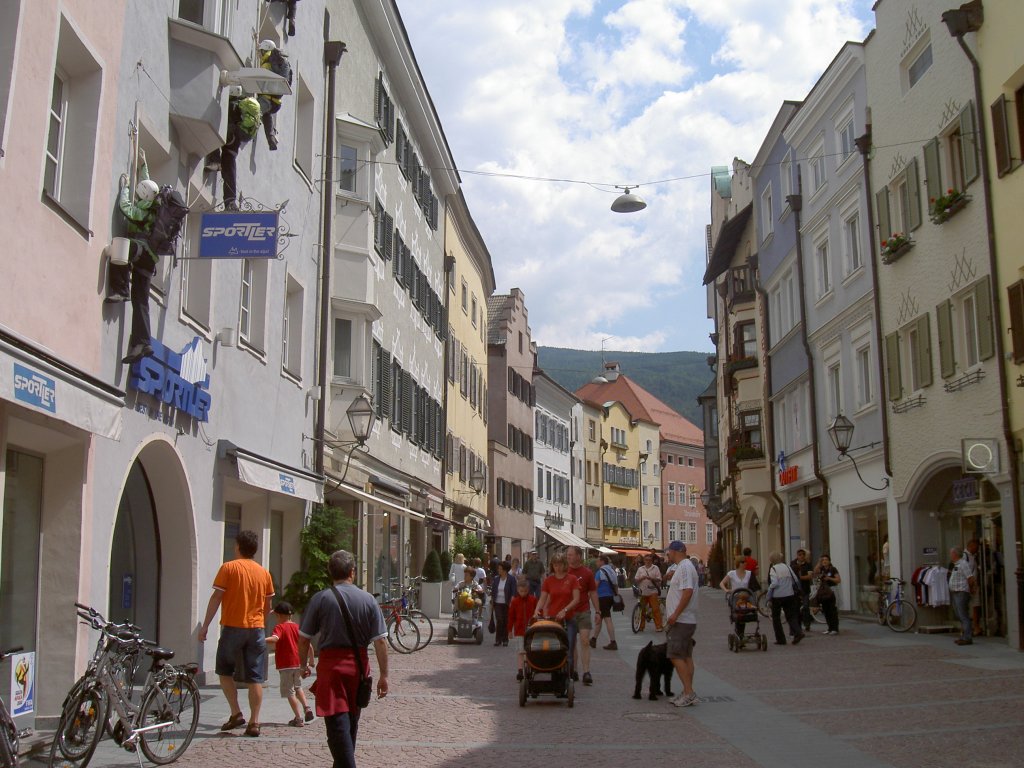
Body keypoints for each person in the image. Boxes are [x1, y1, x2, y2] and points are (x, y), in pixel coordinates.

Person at [298, 550, 388, 768]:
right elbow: (380, 642)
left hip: (331, 668)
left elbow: (304, 638)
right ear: (352, 572)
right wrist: (384, 675)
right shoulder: (368, 600)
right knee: (350, 723)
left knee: (337, 726)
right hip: (358, 667)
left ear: (331, 572)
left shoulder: (321, 599)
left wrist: (303, 664)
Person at [198, 530, 275, 737]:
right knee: (255, 678)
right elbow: (268, 604)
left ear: (238, 547)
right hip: (256, 629)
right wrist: (261, 622)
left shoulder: (229, 568)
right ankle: (254, 722)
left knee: (224, 672)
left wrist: (205, 625)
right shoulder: (263, 573)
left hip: (233, 627)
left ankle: (235, 712)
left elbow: (216, 598)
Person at [265, 601, 314, 727]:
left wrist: (260, 640)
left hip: (285, 664)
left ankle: (298, 718)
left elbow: (275, 639)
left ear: (279, 616)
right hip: (298, 663)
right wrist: (311, 661)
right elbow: (308, 645)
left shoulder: (279, 627)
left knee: (289, 691)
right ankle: (307, 707)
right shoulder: (297, 627)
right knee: (298, 687)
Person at [210, 95, 262, 210]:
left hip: (232, 133)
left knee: (215, 132)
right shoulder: (251, 112)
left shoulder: (232, 105)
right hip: (238, 138)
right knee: (230, 164)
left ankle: (215, 161)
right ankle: (230, 201)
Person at [663, 541, 699, 708]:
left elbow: (687, 591)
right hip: (686, 619)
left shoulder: (684, 567)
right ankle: (687, 691)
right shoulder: (684, 567)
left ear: (676, 551)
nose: (667, 555)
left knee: (676, 655)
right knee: (686, 656)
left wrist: (675, 614)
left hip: (681, 620)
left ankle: (689, 692)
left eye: (668, 551)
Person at [565, 545, 599, 685]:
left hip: (584, 610)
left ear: (579, 556)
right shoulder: (564, 571)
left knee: (585, 640)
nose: (568, 557)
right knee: (571, 643)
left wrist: (598, 611)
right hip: (569, 612)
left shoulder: (587, 573)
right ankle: (574, 670)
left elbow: (592, 592)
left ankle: (586, 671)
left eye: (571, 555)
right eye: (567, 555)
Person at [256, 40, 291, 150]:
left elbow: (261, 80)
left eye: (260, 51)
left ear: (264, 50)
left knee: (254, 112)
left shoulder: (267, 63)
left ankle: (249, 132)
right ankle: (271, 137)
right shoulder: (274, 60)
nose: (259, 54)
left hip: (266, 99)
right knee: (266, 115)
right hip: (275, 102)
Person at [766, 552, 804, 646]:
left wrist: (769, 593)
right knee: (791, 616)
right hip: (789, 594)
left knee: (776, 618)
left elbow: (774, 583)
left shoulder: (773, 569)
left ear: (772, 560)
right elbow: (795, 579)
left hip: (777, 596)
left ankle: (781, 639)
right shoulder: (787, 567)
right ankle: (798, 632)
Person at [533, 552, 580, 625]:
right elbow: (542, 599)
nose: (558, 568)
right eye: (555, 565)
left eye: (560, 565)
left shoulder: (572, 579)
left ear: (565, 565)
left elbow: (576, 599)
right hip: (553, 618)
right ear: (552, 566)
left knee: (570, 636)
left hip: (568, 618)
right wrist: (537, 610)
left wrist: (565, 610)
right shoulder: (548, 580)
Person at [508, 579, 537, 681]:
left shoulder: (533, 600)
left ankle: (530, 668)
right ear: (517, 590)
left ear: (528, 590)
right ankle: (520, 670)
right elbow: (511, 616)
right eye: (521, 591)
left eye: (525, 591)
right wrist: (509, 630)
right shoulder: (515, 601)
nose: (523, 593)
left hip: (532, 630)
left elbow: (538, 612)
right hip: (519, 630)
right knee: (520, 651)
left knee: (530, 651)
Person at [590, 554, 619, 651]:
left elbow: (595, 586)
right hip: (610, 597)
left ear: (602, 561)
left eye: (598, 561)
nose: (597, 563)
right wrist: (616, 595)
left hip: (602, 597)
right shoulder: (612, 570)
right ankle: (593, 639)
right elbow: (615, 585)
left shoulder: (600, 572)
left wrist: (590, 596)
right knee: (600, 617)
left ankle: (613, 641)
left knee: (607, 619)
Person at [949, 546, 976, 646]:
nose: (950, 556)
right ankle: (963, 635)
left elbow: (970, 578)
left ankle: (967, 637)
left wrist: (971, 589)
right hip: (955, 592)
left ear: (955, 554)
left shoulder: (963, 563)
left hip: (961, 592)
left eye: (951, 554)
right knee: (959, 614)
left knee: (963, 615)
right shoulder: (956, 564)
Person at [634, 553, 664, 632]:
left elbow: (659, 579)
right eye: (646, 560)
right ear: (644, 561)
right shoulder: (640, 569)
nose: (648, 561)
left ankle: (659, 626)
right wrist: (642, 578)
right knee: (642, 610)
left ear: (652, 561)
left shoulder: (655, 568)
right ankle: (641, 626)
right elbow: (636, 580)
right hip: (642, 592)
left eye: (650, 560)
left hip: (653, 591)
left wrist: (652, 578)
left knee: (655, 609)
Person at [813, 555, 842, 635]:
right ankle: (829, 628)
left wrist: (829, 578)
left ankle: (835, 628)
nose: (824, 561)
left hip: (831, 590)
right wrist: (819, 562)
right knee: (826, 610)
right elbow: (815, 572)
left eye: (826, 560)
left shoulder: (833, 569)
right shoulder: (822, 569)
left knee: (832, 610)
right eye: (823, 560)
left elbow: (838, 580)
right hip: (824, 591)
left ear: (829, 561)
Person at [490, 561, 517, 646]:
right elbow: (493, 591)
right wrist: (492, 602)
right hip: (497, 603)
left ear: (505, 570)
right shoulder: (496, 579)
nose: (498, 570)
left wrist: (512, 602)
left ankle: (505, 640)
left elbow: (513, 592)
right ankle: (498, 639)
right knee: (499, 620)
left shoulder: (511, 579)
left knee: (506, 621)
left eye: (500, 569)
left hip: (507, 604)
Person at [790, 549, 814, 632]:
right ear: (797, 555)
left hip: (805, 589)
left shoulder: (808, 565)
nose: (801, 556)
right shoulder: (793, 563)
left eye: (802, 555)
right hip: (795, 590)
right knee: (795, 608)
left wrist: (800, 578)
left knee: (806, 607)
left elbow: (810, 576)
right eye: (799, 555)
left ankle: (807, 624)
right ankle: (797, 625)